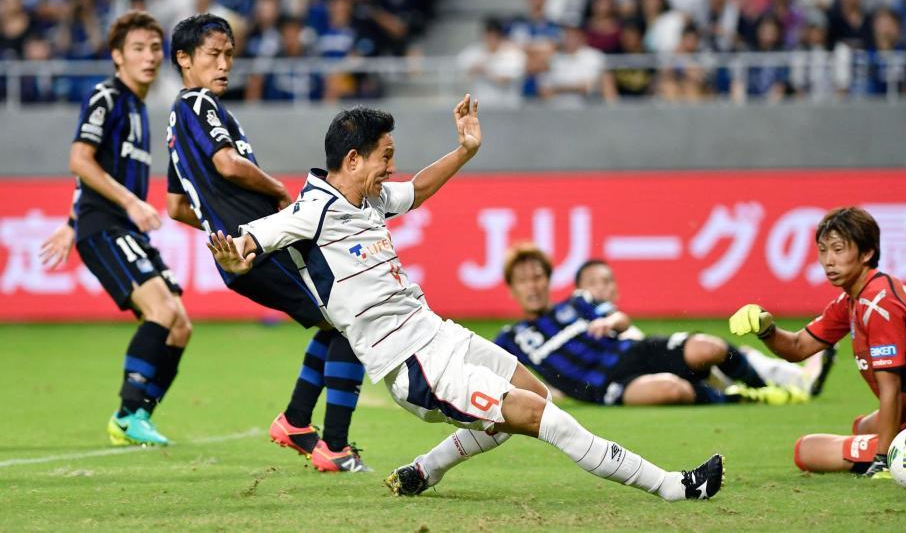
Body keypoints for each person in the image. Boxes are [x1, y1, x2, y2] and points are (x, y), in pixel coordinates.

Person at [207, 96, 725, 501]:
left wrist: (465, 151)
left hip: (438, 332)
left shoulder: (368, 197)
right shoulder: (311, 210)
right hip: (412, 365)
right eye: (385, 155)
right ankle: (672, 485)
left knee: (533, 395)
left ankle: (423, 470)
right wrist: (237, 255)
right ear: (352, 158)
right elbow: (255, 237)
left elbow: (417, 190)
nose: (392, 165)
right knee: (540, 417)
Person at [164, 13, 366, 472]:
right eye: (213, 54)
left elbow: (178, 206)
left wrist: (224, 233)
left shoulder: (177, 126)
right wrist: (277, 192)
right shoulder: (199, 105)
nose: (224, 65)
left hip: (242, 251)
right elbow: (229, 164)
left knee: (336, 323)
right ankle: (334, 447)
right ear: (184, 58)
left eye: (229, 55)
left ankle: (297, 421)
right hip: (261, 246)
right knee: (356, 318)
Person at [47, 11, 191, 447]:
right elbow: (79, 160)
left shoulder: (138, 107)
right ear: (117, 56)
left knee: (180, 323)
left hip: (116, 225)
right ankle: (127, 416)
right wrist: (124, 204)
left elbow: (94, 169)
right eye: (137, 49)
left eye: (153, 48)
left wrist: (71, 223)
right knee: (161, 312)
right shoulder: (106, 96)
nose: (149, 58)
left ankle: (138, 415)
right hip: (107, 225)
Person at [729, 206, 906, 478]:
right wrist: (766, 329)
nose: (828, 261)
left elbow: (891, 387)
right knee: (861, 427)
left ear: (867, 253)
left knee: (806, 450)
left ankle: (905, 454)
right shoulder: (858, 297)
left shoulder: (879, 303)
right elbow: (798, 347)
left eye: (838, 250)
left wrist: (883, 460)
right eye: (823, 250)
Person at [496, 244, 824, 407]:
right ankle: (747, 398)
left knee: (709, 348)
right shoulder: (511, 337)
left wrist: (609, 321)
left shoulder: (578, 302)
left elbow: (621, 319)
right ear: (511, 288)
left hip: (634, 351)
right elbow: (494, 369)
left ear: (549, 278)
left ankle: (765, 384)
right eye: (523, 280)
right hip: (602, 387)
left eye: (537, 276)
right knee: (672, 390)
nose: (533, 286)